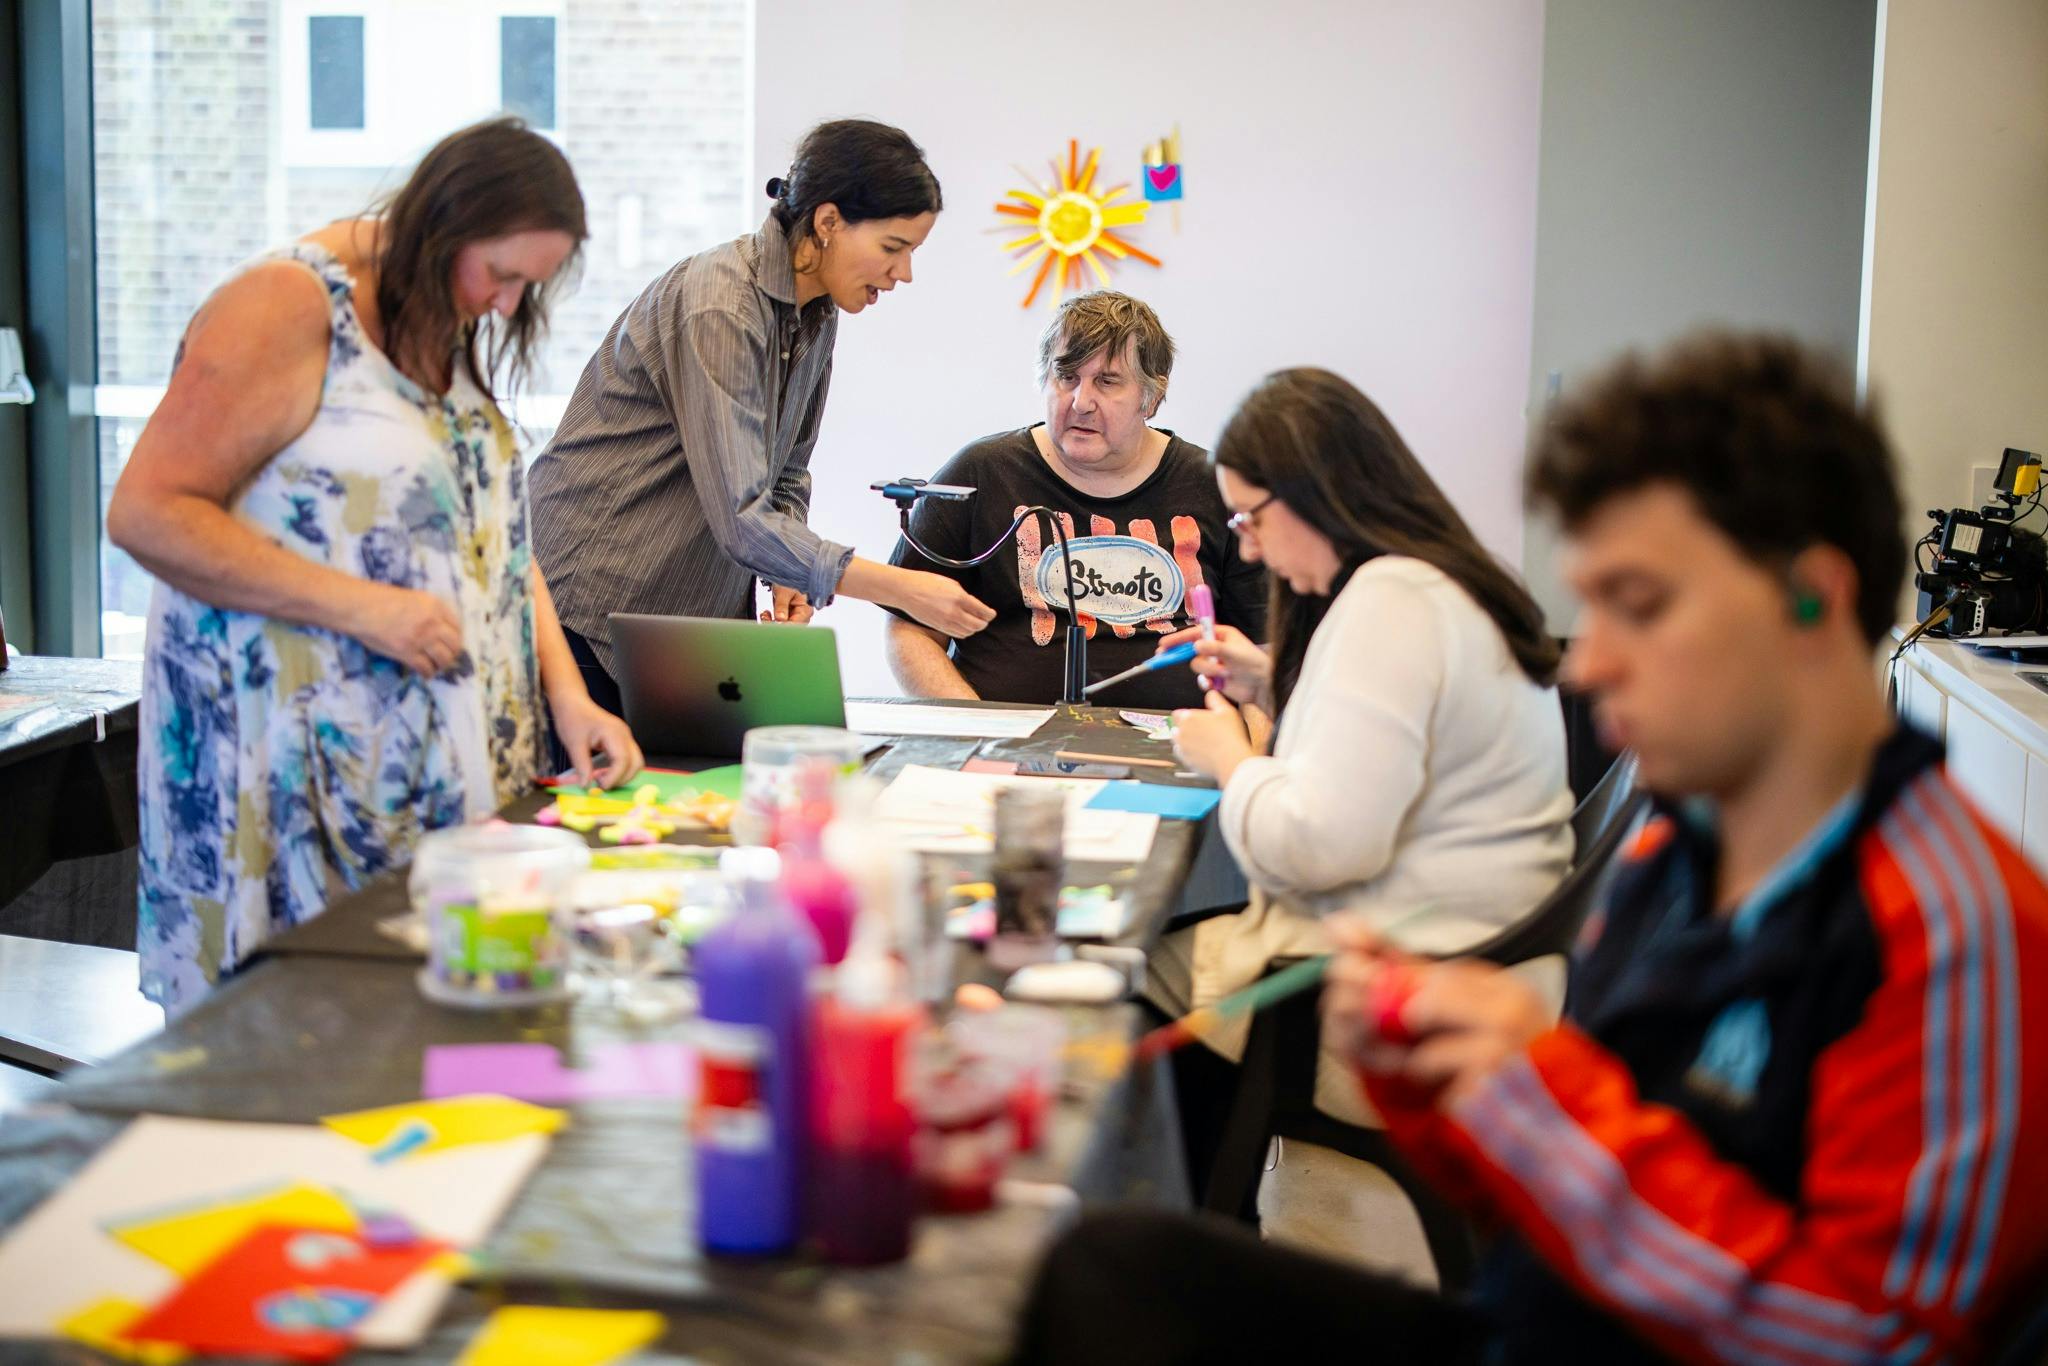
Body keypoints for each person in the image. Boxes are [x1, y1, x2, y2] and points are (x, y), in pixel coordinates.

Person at [1013, 333, 2048, 1365]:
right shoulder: (1670, 862)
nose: (1587, 663)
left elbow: (1872, 1344)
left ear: (1809, 600)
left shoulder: (1952, 928)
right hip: (1533, 1329)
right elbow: (1568, 1214)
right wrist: (1451, 1094)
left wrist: (1538, 1098)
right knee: (1101, 1269)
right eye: (1588, 605)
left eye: (1637, 604)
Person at [106, 119, 642, 1013]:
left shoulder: (439, 313)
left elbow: (491, 537)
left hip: (433, 767)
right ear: (442, 224)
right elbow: (147, 513)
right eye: (501, 274)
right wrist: (366, 608)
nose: (507, 305)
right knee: (295, 1050)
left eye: (528, 287)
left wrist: (568, 695)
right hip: (291, 768)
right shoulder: (288, 302)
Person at [1149, 367, 1571, 1187]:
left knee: (1126, 982)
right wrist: (1272, 680)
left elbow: (1319, 845)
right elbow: (1408, 738)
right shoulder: (1432, 578)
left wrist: (1228, 758)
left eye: (1252, 517)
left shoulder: (1392, 601)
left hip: (1413, 982)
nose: (1249, 546)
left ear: (1317, 491)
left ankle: (1191, 1229)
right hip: (1481, 955)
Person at [528, 119, 993, 714]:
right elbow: (745, 520)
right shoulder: (720, 303)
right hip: (589, 605)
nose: (903, 274)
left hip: (673, 621)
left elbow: (788, 473)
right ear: (827, 223)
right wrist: (900, 588)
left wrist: (791, 573)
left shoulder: (816, 315)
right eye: (893, 248)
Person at [884, 291, 1265, 709]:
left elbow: (1264, 647)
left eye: (1107, 381)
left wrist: (1248, 759)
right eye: (1066, 377)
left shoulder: (1214, 485)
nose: (1081, 403)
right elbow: (910, 629)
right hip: (1000, 748)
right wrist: (976, 725)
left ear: (1151, 397)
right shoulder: (981, 472)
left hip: (1181, 748)